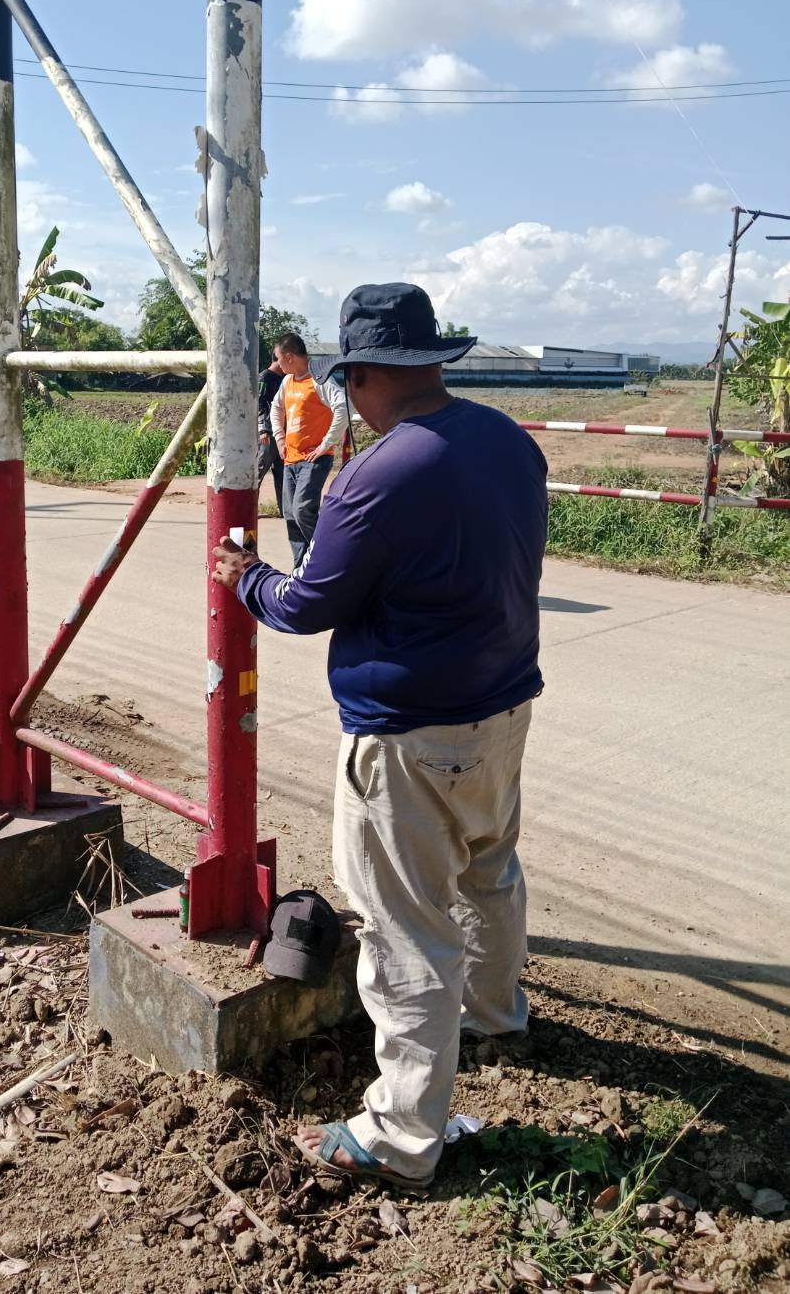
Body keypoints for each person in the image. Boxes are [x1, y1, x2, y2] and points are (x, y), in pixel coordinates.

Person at [212, 283, 547, 1190]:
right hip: (504, 708)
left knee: (405, 930)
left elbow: (307, 603)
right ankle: (495, 1014)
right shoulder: (509, 441)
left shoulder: (376, 476)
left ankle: (402, 1135)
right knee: (489, 870)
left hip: (407, 736)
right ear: (433, 360)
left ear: (362, 377)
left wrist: (247, 577)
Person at [269, 333, 347, 567]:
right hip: (290, 459)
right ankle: (301, 567)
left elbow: (342, 407)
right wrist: (280, 439)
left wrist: (326, 444)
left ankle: (326, 556)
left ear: (289, 357)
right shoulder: (287, 382)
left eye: (278, 358)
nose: (277, 364)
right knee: (290, 515)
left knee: (302, 509)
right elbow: (276, 409)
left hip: (314, 459)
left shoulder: (319, 380)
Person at [257, 357, 285, 513]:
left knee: (283, 474)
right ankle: (249, 509)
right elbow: (259, 404)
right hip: (268, 435)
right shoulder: (264, 377)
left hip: (282, 434)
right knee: (258, 471)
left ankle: (284, 509)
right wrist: (263, 429)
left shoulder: (285, 378)